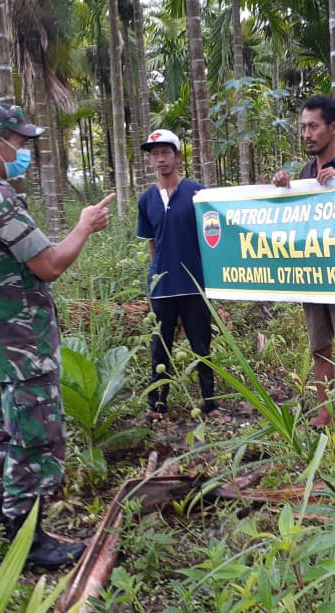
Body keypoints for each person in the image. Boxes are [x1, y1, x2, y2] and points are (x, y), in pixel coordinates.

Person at [0, 103, 113, 570]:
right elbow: (49, 264)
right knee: (34, 439)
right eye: (20, 141)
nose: (24, 151)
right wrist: (84, 226)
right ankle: (27, 539)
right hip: (21, 345)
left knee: (0, 430)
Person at [273, 95, 335, 428]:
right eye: (303, 127)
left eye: (313, 126)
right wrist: (285, 189)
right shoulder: (303, 172)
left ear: (333, 128)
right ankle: (324, 413)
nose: (307, 134)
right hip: (312, 275)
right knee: (319, 347)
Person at [137, 129, 227, 422]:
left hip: (194, 284)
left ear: (177, 156)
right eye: (154, 154)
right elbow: (151, 241)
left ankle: (210, 405)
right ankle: (157, 406)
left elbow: (213, 235)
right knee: (159, 348)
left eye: (165, 153)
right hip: (163, 288)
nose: (160, 159)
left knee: (202, 347)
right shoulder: (146, 199)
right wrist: (158, 274)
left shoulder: (197, 194)